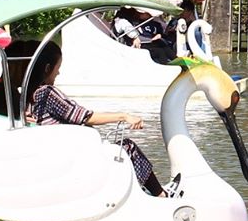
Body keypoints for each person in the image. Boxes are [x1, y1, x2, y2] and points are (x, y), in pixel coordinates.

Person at [24, 44, 164, 195]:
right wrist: (124, 116)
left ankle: (146, 193)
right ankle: (161, 195)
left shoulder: (27, 93)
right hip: (73, 157)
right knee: (128, 147)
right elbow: (84, 116)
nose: (58, 72)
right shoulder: (47, 93)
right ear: (47, 68)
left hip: (61, 153)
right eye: (58, 67)